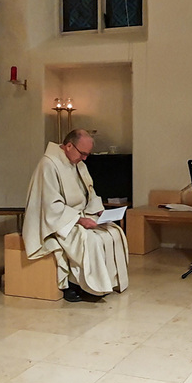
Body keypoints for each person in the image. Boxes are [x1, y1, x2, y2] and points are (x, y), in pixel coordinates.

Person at [23, 129, 129, 302]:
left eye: (88, 154)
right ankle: (76, 285)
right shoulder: (49, 164)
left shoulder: (78, 163)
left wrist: (98, 210)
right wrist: (79, 220)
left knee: (113, 232)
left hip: (79, 215)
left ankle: (107, 283)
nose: (85, 158)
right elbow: (50, 206)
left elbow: (89, 192)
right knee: (90, 239)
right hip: (58, 221)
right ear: (69, 146)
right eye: (83, 153)